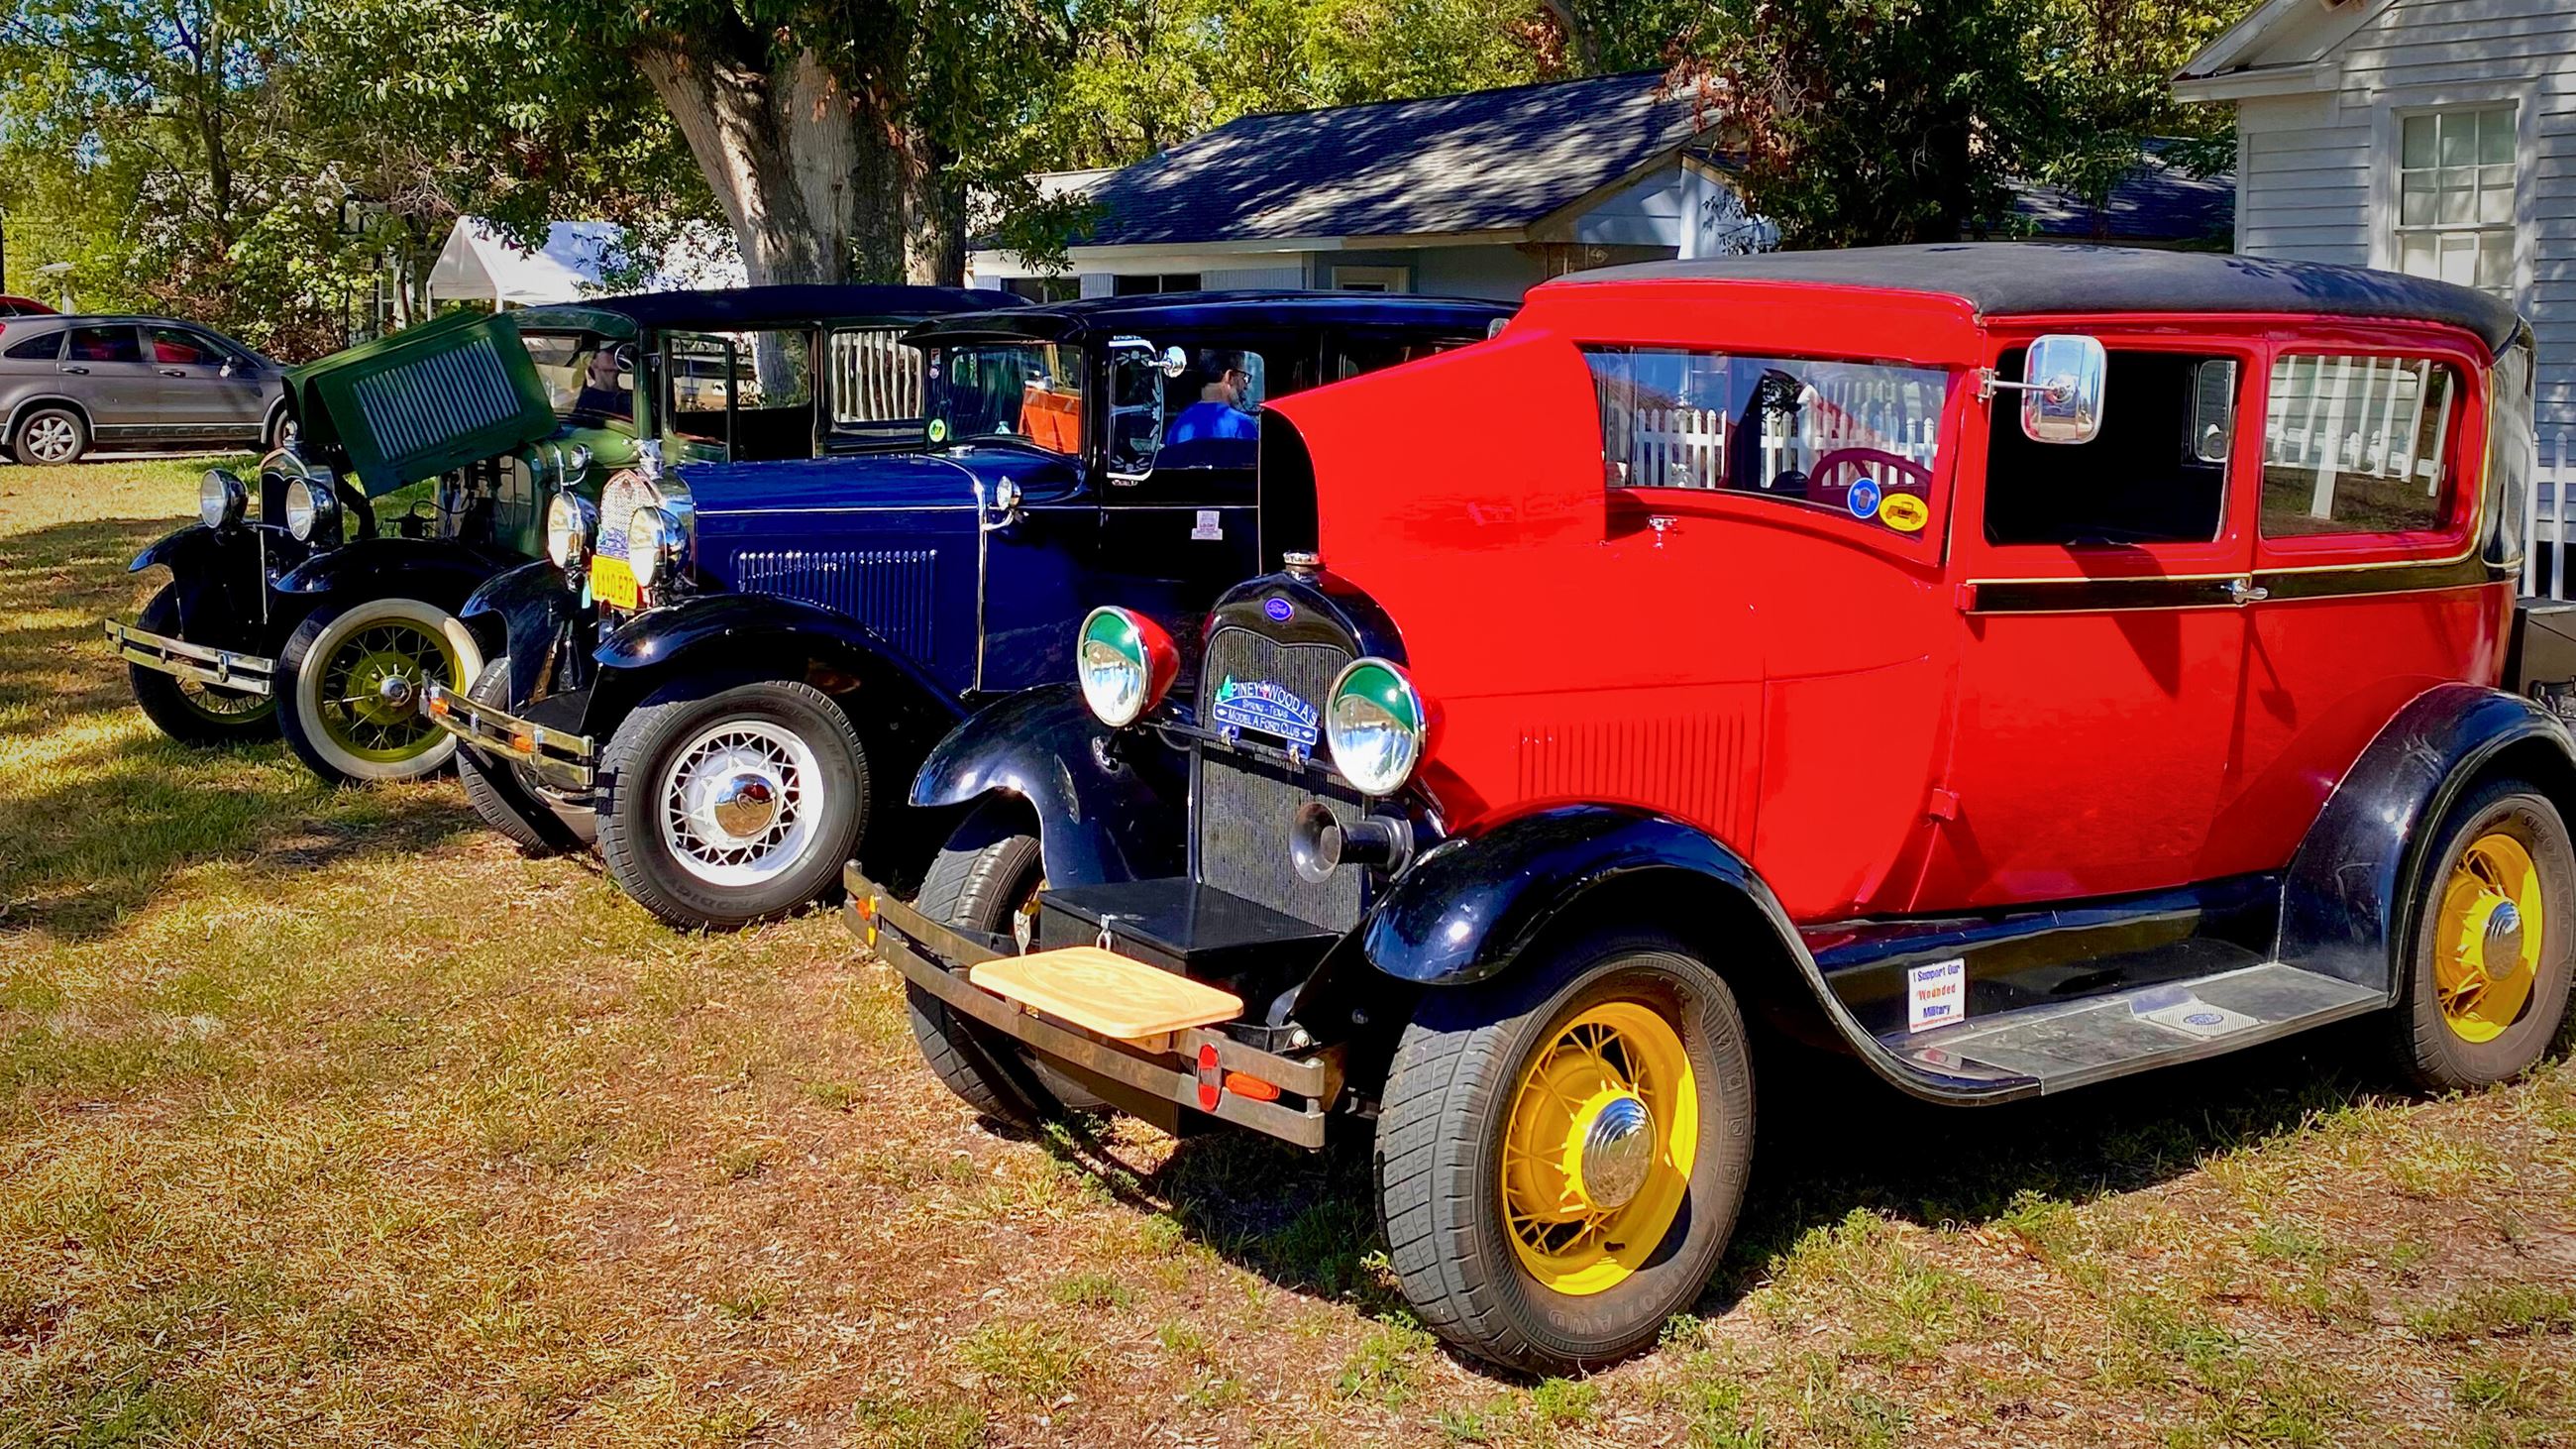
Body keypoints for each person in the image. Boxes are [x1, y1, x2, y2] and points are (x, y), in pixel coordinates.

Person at [1163, 353, 1258, 448]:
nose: (1245, 386)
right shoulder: (1242, 425)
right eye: (1243, 377)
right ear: (1229, 376)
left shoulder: (1177, 426)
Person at [573, 347, 633, 419]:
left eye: (618, 350)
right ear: (592, 362)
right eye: (610, 350)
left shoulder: (631, 397)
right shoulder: (586, 400)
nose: (616, 354)